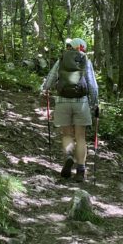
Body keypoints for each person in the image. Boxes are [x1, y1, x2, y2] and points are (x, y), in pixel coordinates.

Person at [41, 38, 99, 182]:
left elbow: (51, 78)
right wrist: (94, 103)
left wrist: (45, 89)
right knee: (80, 137)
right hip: (81, 103)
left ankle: (68, 157)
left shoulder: (61, 59)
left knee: (67, 134)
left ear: (70, 47)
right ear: (82, 48)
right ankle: (80, 171)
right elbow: (92, 85)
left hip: (62, 101)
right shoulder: (85, 60)